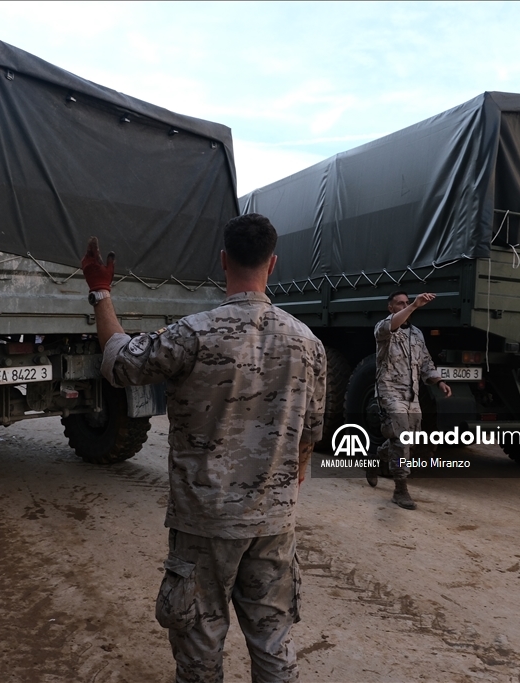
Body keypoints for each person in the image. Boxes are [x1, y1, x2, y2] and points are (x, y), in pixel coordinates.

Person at [81, 213, 326, 683]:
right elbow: (308, 437)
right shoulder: (308, 343)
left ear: (222, 261)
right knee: (274, 645)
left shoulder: (192, 334)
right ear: (272, 263)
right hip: (274, 522)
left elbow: (118, 362)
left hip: (204, 522)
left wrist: (100, 291)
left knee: (199, 648)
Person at [372, 290, 451, 509]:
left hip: (412, 393)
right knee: (402, 437)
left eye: (406, 303)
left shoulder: (416, 334)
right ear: (391, 308)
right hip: (390, 391)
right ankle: (400, 489)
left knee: (411, 437)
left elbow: (425, 361)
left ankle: (378, 457)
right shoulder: (384, 328)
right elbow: (391, 325)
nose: (404, 305)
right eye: (400, 303)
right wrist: (415, 305)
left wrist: (438, 381)